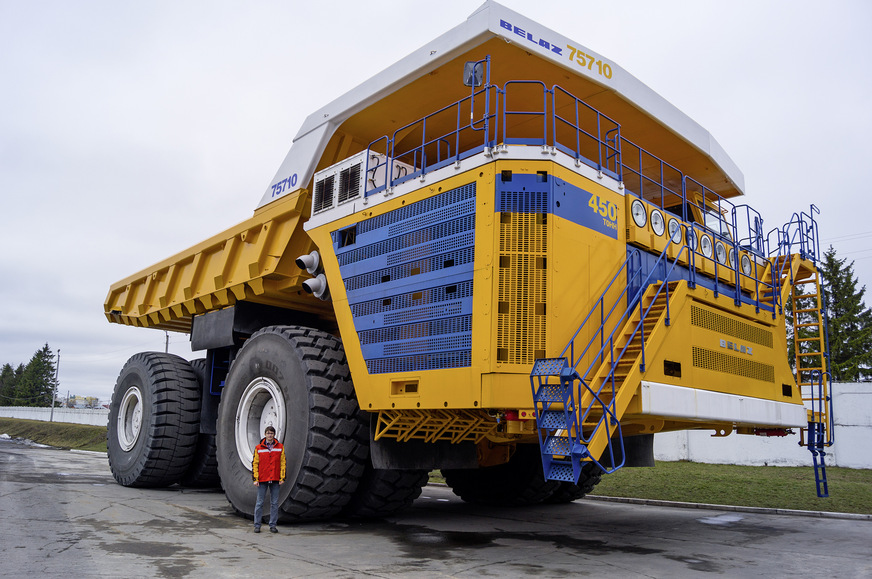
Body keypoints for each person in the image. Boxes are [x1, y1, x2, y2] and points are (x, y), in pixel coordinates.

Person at [252, 425, 285, 533]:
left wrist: (282, 477)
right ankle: (257, 525)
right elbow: (255, 464)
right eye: (268, 433)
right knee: (259, 503)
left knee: (275, 503)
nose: (269, 435)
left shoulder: (280, 447)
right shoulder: (258, 448)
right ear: (265, 434)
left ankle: (273, 525)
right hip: (262, 479)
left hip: (275, 478)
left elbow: (283, 463)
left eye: (271, 433)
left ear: (274, 435)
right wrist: (255, 478)